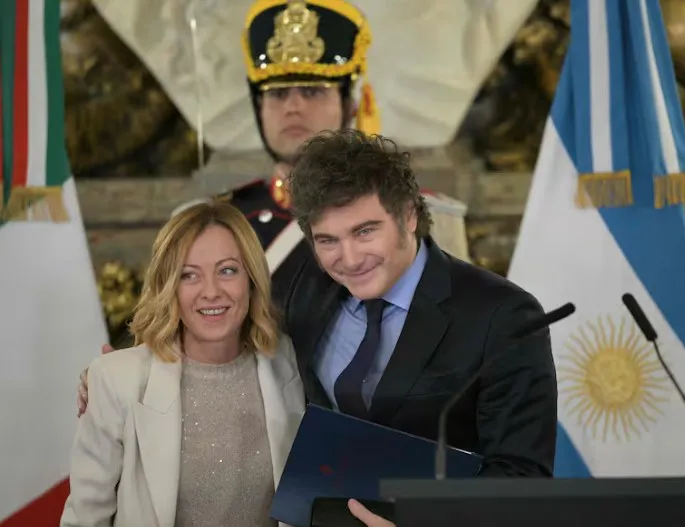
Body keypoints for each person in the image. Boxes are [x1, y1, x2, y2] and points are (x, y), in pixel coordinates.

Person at [282, 130, 557, 523]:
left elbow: (522, 477)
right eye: (327, 240)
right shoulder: (308, 288)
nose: (349, 258)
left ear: (409, 215)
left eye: (364, 231)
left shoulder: (504, 316)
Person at [178, 0, 471, 307]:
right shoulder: (216, 220)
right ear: (259, 108)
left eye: (312, 91)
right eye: (277, 94)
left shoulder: (425, 215)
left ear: (350, 105)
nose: (293, 107)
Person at [62, 202, 305, 527]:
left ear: (251, 278)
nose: (211, 292)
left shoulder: (288, 362)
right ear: (168, 287)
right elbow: (84, 518)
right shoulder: (116, 380)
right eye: (189, 275)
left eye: (227, 270)